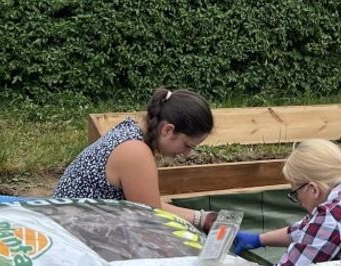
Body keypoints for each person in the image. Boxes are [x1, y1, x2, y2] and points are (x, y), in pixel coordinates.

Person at [53, 88, 218, 231]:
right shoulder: (135, 152)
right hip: (71, 238)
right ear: (168, 130)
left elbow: (149, 204)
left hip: (70, 223)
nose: (188, 154)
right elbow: (151, 220)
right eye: (188, 145)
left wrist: (204, 219)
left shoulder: (130, 131)